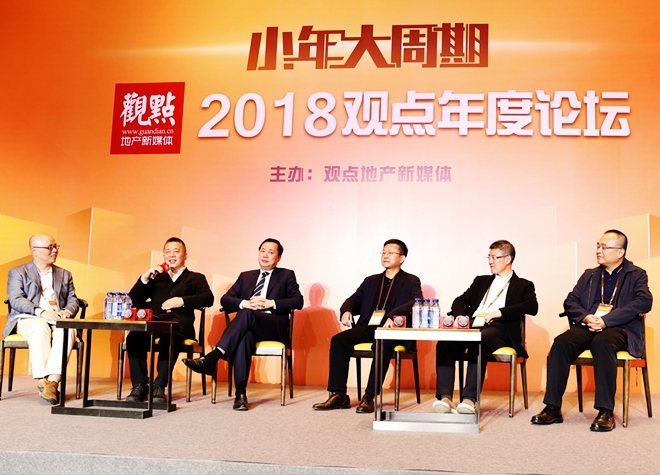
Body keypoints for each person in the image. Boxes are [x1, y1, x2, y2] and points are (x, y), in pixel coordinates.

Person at [532, 230, 652, 431]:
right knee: (561, 342)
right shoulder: (590, 275)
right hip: (589, 325)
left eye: (604, 247)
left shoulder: (636, 274)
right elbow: (570, 301)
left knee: (602, 342)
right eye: (598, 246)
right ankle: (552, 407)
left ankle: (606, 411)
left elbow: (643, 302)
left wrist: (607, 321)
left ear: (620, 252)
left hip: (619, 328)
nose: (599, 250)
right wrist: (587, 317)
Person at [183, 238, 303, 411]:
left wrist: (270, 303)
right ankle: (240, 395)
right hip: (249, 326)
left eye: (271, 252)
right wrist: (245, 303)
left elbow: (298, 301)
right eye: (262, 251)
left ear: (278, 258)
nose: (265, 255)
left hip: (273, 327)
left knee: (246, 314)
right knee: (244, 336)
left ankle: (213, 357)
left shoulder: (286, 275)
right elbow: (226, 299)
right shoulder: (246, 276)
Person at [313, 239, 422, 413]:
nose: (385, 256)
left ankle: (369, 396)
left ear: (402, 258)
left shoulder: (411, 281)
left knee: (382, 342)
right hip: (369, 326)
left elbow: (416, 301)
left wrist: (394, 315)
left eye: (390, 253)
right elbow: (354, 300)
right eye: (383, 252)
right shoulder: (371, 281)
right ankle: (339, 395)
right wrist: (347, 310)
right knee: (339, 340)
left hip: (392, 330)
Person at [433, 240, 538, 414]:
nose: (490, 261)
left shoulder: (523, 285)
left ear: (508, 259)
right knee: (445, 343)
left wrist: (499, 312)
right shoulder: (481, 281)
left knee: (479, 341)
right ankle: (445, 398)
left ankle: (469, 399)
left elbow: (532, 306)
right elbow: (460, 300)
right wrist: (460, 316)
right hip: (472, 325)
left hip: (499, 328)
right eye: (489, 257)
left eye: (494, 257)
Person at [125, 237, 213, 402]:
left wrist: (183, 301)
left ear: (185, 255)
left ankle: (159, 386)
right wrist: (144, 279)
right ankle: (139, 385)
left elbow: (208, 298)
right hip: (155, 322)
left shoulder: (196, 278)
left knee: (169, 336)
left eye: (176, 251)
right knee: (134, 337)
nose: (171, 255)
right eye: (167, 252)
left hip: (179, 325)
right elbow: (134, 300)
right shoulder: (156, 278)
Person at [4, 234, 79, 405]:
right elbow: (16, 299)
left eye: (56, 246)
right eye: (49, 247)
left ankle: (51, 382)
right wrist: (41, 312)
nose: (55, 250)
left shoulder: (65, 274)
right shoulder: (18, 272)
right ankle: (43, 380)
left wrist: (67, 311)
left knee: (68, 329)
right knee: (39, 327)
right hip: (29, 317)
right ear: (34, 251)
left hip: (58, 317)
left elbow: (73, 299)